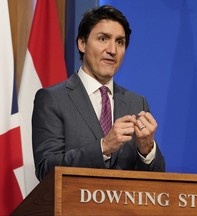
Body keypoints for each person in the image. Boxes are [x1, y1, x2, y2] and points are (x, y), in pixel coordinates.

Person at [32, 4, 165, 181]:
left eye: (120, 42)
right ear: (82, 43)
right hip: (75, 207)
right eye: (103, 39)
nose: (112, 50)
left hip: (125, 208)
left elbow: (157, 184)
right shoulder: (53, 99)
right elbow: (46, 169)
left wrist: (147, 149)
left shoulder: (136, 103)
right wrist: (104, 146)